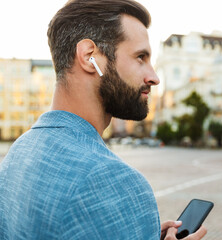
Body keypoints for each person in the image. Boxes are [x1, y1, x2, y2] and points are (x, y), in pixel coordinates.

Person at [0, 0, 207, 239]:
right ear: (90, 57)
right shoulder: (113, 182)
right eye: (140, 57)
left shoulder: (19, 152)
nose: (154, 77)